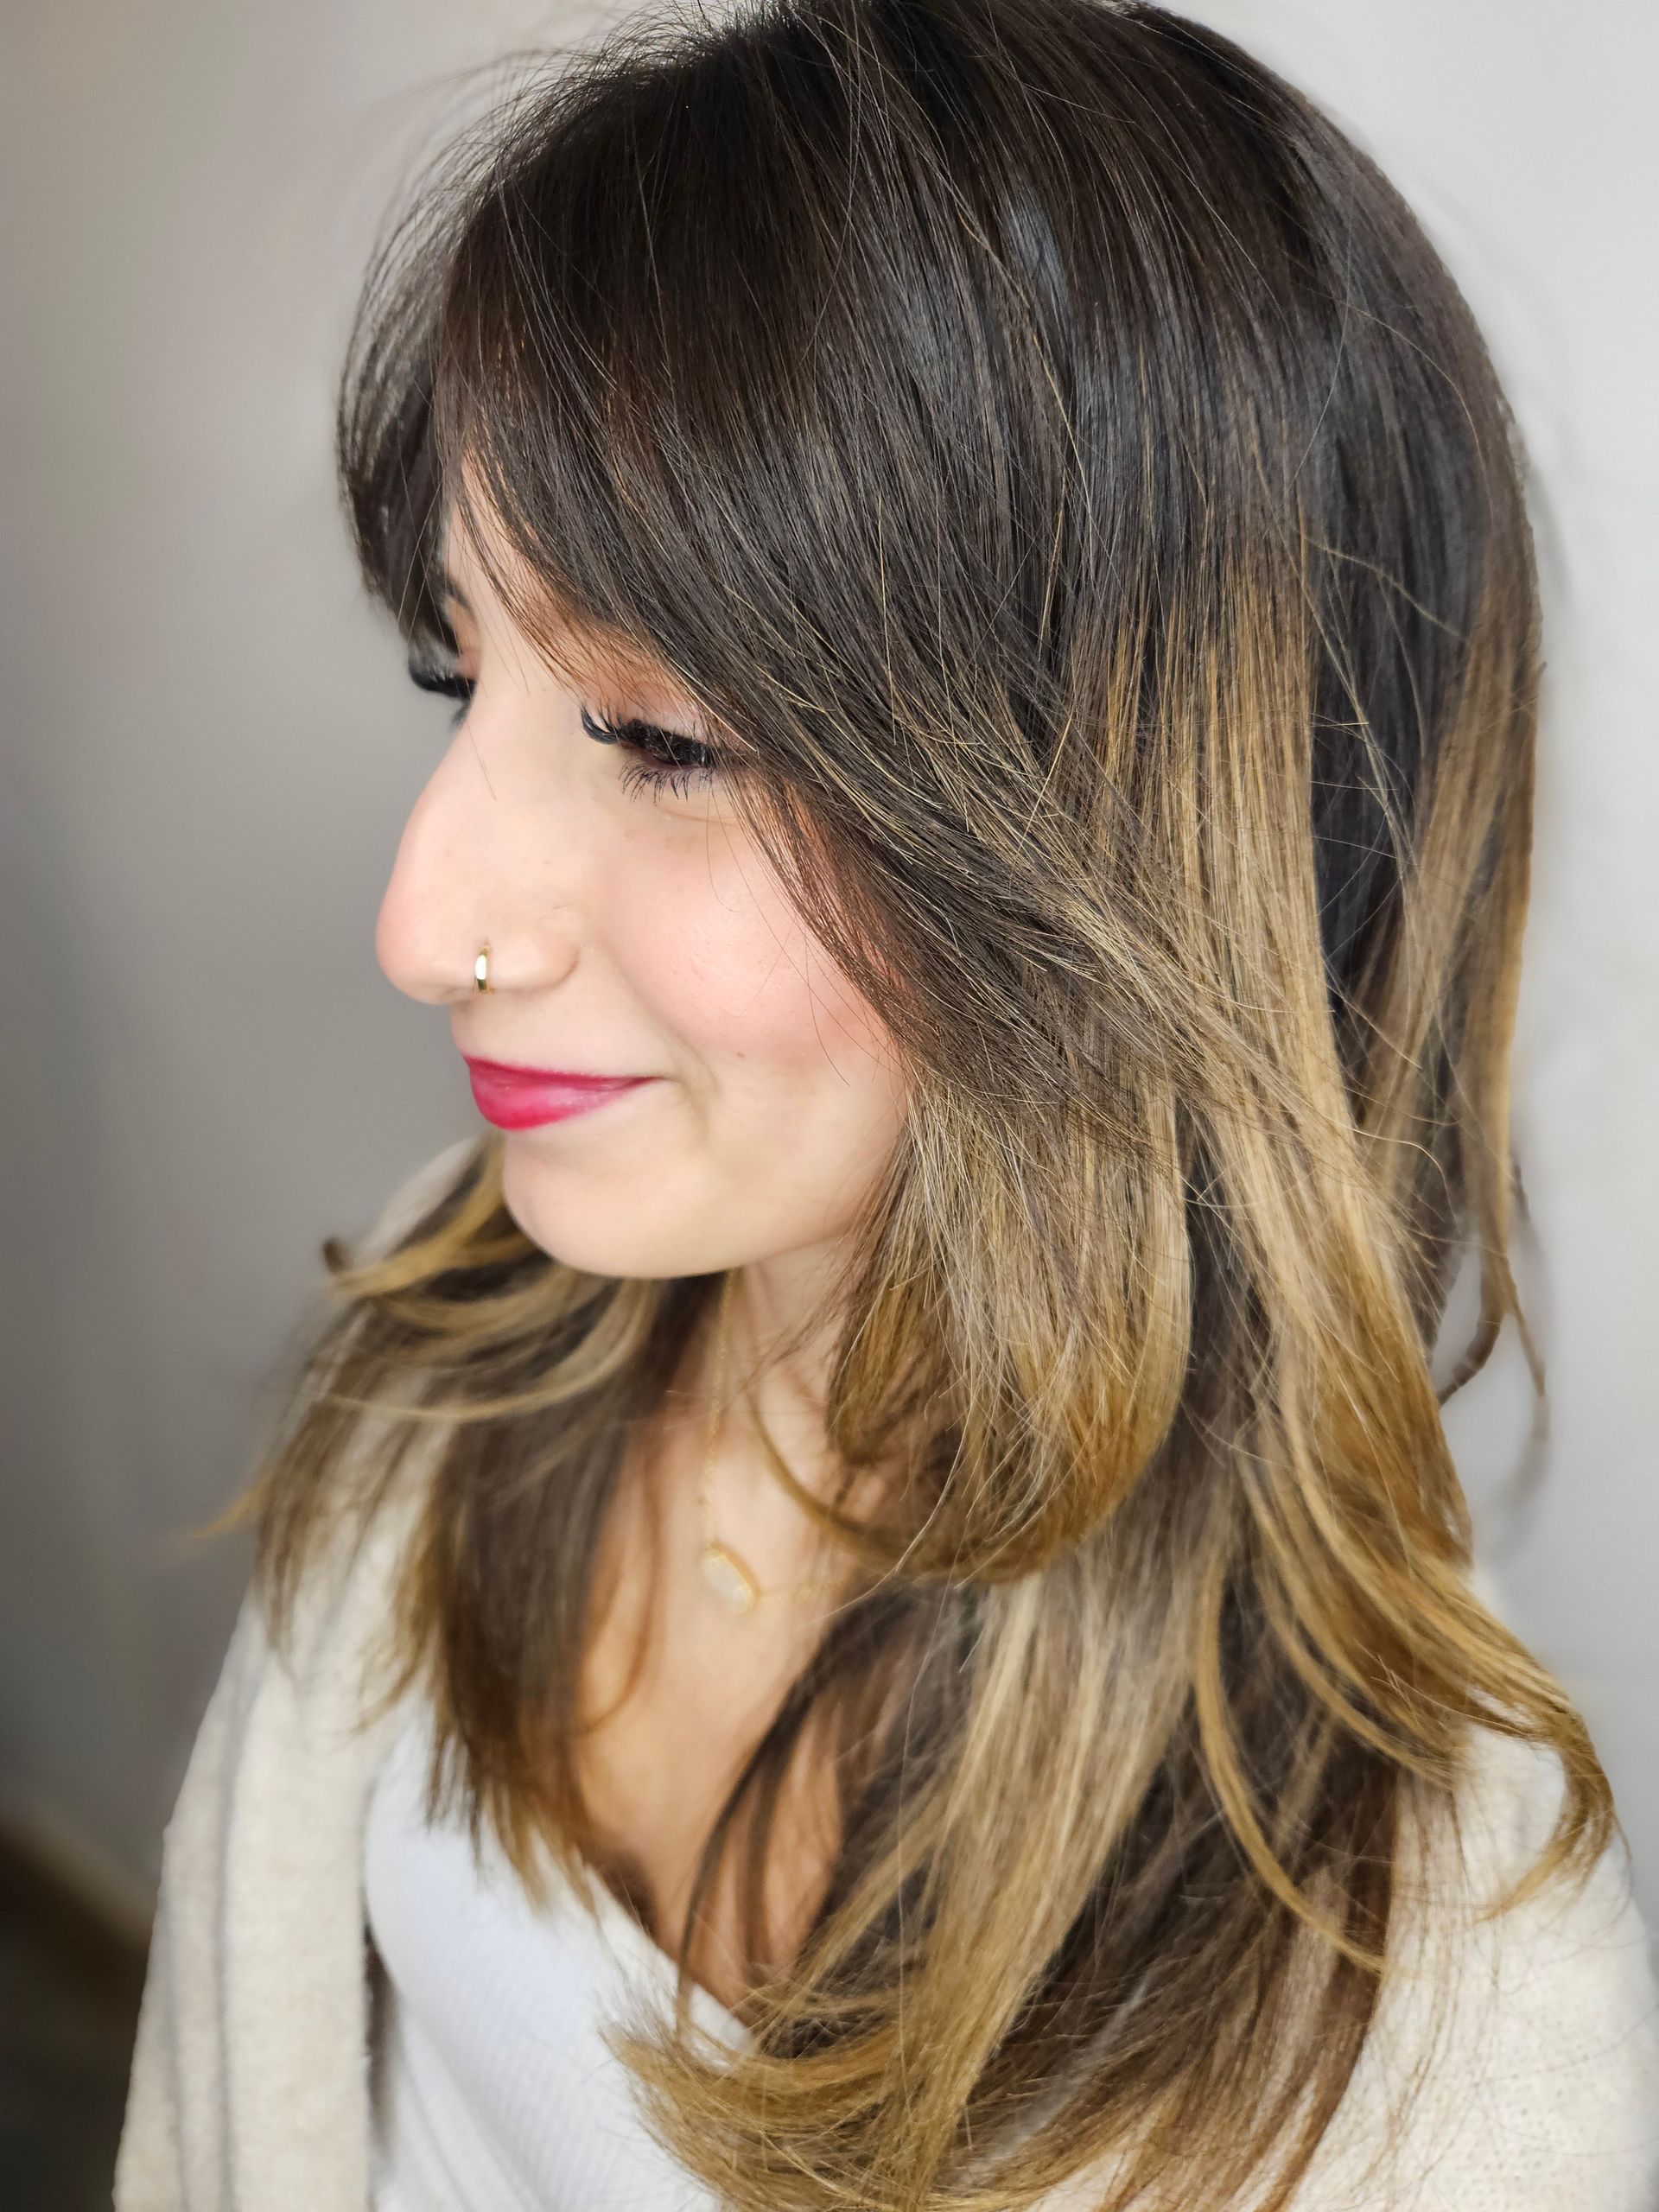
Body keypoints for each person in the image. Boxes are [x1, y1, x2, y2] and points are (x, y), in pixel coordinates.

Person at [115, 0, 1659, 2206]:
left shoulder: (1445, 2015)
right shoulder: (470, 1325)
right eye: (463, 672)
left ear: (1137, 845)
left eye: (663, 737)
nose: (422, 921)